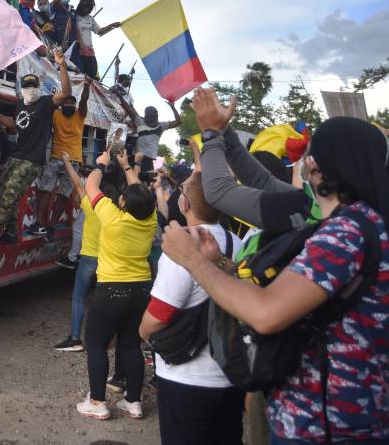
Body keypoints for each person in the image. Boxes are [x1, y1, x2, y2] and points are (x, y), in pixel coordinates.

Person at [163, 91, 389, 444]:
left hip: (326, 427)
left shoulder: (345, 233)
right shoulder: (353, 220)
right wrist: (223, 133)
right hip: (344, 417)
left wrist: (191, 260)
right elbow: (263, 182)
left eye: (311, 154)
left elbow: (266, 313)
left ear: (318, 168)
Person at [139, 171, 244, 445]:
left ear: (183, 204)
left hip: (186, 378)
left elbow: (159, 314)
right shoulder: (239, 243)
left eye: (181, 191)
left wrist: (143, 332)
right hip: (231, 373)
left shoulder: (182, 249)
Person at [77, 149, 157, 420]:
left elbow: (90, 185)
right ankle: (132, 401)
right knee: (131, 345)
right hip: (141, 291)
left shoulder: (112, 216)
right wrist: (126, 166)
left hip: (111, 290)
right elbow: (139, 192)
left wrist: (101, 165)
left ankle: (98, 402)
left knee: (97, 344)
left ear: (123, 203)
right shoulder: (150, 219)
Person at [0, 49, 69, 248]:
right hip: (16, 156)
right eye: (27, 85)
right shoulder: (21, 104)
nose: (30, 89)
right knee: (3, 191)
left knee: (9, 195)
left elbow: (66, 93)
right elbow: (15, 123)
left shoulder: (46, 103)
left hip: (32, 160)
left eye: (33, 86)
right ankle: (11, 233)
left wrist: (61, 65)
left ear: (38, 87)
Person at [34, 62, 89, 239]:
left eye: (72, 103)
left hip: (72, 162)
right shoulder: (56, 113)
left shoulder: (80, 115)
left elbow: (85, 101)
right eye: (66, 102)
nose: (69, 105)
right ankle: (41, 223)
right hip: (56, 158)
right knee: (45, 190)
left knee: (63, 195)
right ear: (62, 103)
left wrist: (87, 87)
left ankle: (50, 225)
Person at [54, 152, 102, 353]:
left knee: (79, 298)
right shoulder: (120, 214)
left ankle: (75, 338)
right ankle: (100, 340)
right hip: (109, 261)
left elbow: (78, 185)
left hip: (88, 259)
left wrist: (66, 161)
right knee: (102, 302)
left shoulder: (92, 208)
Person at [119, 99, 182, 173]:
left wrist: (120, 97)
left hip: (137, 159)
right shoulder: (160, 126)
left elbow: (130, 110)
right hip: (145, 160)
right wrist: (172, 107)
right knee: (145, 181)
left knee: (132, 179)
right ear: (156, 115)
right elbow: (178, 121)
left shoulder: (140, 121)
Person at [73, 0, 120, 78]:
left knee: (92, 73)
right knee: (79, 74)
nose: (87, 10)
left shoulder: (90, 19)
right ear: (81, 6)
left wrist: (112, 25)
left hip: (89, 51)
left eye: (89, 9)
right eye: (86, 8)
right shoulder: (74, 16)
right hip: (77, 50)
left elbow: (99, 31)